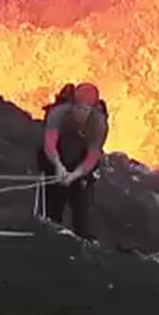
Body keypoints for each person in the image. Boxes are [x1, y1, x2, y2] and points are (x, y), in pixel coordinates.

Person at [37, 82, 109, 239]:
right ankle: (49, 233)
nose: (80, 112)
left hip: (79, 164)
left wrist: (74, 175)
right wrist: (58, 166)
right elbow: (49, 144)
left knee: (81, 209)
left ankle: (81, 241)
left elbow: (92, 157)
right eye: (78, 107)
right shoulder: (58, 114)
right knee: (54, 203)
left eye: (85, 109)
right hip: (58, 157)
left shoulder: (98, 124)